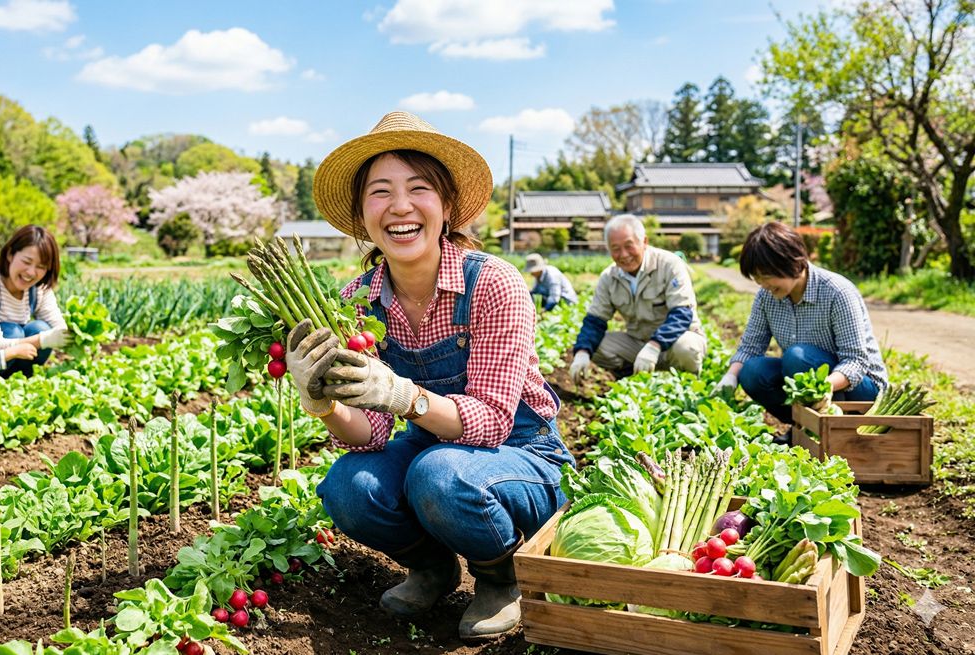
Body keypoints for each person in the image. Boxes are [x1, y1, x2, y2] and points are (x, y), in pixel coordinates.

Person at [286, 111, 574, 640]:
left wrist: (402, 393)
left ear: (445, 206)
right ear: (362, 213)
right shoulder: (358, 299)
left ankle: (499, 576)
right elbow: (371, 434)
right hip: (435, 452)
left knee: (437, 475)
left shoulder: (493, 284)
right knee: (349, 486)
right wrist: (323, 404)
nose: (399, 206)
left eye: (418, 188)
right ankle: (433, 569)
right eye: (380, 192)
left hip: (524, 458)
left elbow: (489, 425)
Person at [712, 222, 887, 439]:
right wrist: (730, 377)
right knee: (752, 372)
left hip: (861, 389)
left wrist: (824, 386)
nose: (763, 284)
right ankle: (804, 427)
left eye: (766, 276)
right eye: (757, 279)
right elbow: (751, 347)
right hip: (809, 383)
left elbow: (856, 361)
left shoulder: (837, 292)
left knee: (797, 358)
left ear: (791, 263)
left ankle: (833, 428)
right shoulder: (767, 297)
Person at [567, 214, 706, 379]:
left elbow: (682, 313)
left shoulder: (669, 264)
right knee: (594, 346)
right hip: (639, 343)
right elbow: (595, 320)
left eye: (629, 245)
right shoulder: (609, 277)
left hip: (675, 342)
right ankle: (632, 378)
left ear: (644, 242)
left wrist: (655, 345)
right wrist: (582, 351)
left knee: (686, 348)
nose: (624, 255)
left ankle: (687, 383)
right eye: (616, 249)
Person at [0, 225, 70, 377]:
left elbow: (58, 325)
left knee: (40, 327)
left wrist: (74, 338)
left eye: (41, 266)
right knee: (14, 332)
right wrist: (44, 340)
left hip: (16, 356)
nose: (31, 272)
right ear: (10, 254)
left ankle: (22, 378)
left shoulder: (38, 288)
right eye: (27, 262)